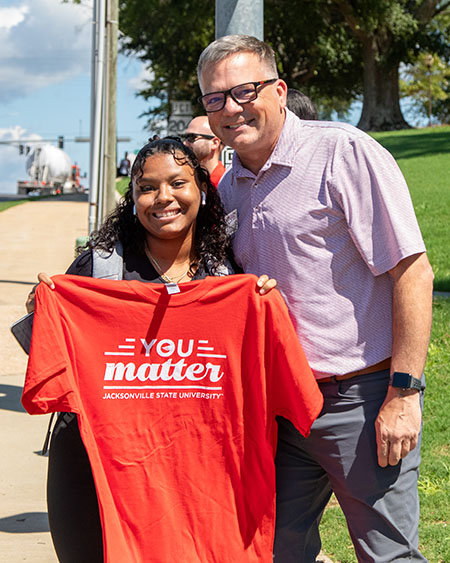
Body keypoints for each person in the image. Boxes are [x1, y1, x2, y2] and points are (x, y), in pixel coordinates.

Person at [197, 34, 434, 562]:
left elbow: (413, 272)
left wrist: (404, 394)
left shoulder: (342, 152)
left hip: (360, 397)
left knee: (388, 555)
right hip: (278, 408)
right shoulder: (228, 185)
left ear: (279, 90)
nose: (231, 108)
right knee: (273, 551)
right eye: (215, 99)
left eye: (244, 91)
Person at [24, 136, 317, 562]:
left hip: (198, 476)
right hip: (95, 465)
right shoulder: (100, 269)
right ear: (133, 198)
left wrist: (263, 304)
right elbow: (52, 361)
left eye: (178, 183)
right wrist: (43, 307)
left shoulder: (228, 278)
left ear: (201, 189)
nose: (164, 198)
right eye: (147, 187)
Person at [182, 116, 226, 187]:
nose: (184, 143)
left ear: (215, 143)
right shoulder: (188, 182)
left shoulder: (225, 186)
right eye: (185, 137)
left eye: (192, 137)